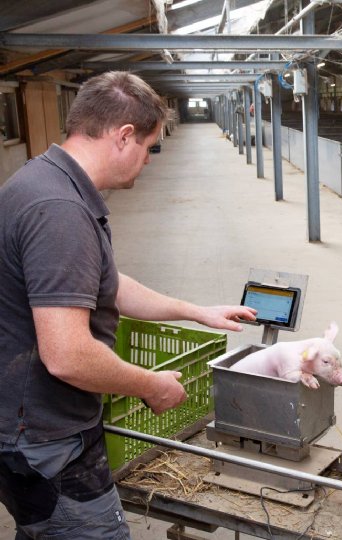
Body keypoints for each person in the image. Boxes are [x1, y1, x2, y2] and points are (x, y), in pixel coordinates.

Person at [0, 71, 257, 539]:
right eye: (148, 147)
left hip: (25, 426)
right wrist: (150, 385)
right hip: (44, 437)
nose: (148, 161)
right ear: (123, 136)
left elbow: (106, 284)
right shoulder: (60, 211)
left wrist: (195, 310)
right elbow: (68, 355)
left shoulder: (43, 180)